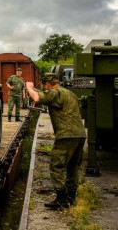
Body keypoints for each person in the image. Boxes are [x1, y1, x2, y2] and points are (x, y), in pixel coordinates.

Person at [25, 73, 87, 210]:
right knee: (72, 167)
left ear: (47, 84)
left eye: (44, 86)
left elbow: (36, 96)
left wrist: (29, 87)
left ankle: (61, 199)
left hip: (66, 136)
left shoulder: (55, 93)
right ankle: (71, 197)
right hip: (80, 134)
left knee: (56, 166)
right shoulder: (70, 94)